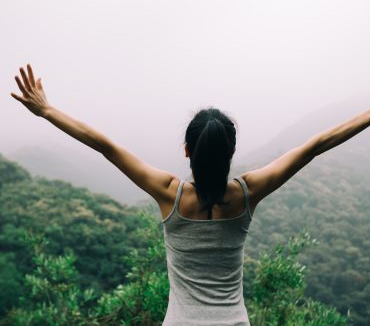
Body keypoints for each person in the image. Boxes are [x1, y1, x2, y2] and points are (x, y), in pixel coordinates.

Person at [11, 64, 370, 326]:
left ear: (187, 151)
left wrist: (47, 111)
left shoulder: (170, 194)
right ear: (231, 152)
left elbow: (105, 146)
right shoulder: (247, 194)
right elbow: (315, 146)